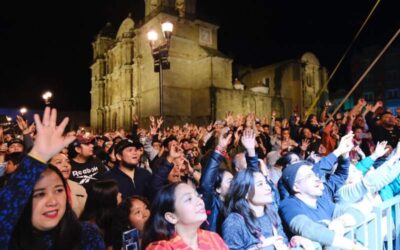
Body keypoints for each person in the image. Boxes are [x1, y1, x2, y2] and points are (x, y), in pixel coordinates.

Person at [0, 107, 105, 249]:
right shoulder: (10, 240)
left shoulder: (86, 235)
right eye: (40, 194)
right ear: (22, 198)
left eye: (59, 190)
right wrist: (38, 156)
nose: (53, 201)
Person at [223, 169, 316, 250]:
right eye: (260, 184)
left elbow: (283, 243)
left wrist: (295, 240)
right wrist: (262, 246)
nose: (268, 187)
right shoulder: (234, 222)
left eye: (266, 183)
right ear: (245, 193)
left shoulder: (271, 212)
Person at [142, 182, 228, 250]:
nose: (200, 202)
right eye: (189, 199)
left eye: (198, 196)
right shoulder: (161, 248)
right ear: (172, 217)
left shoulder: (214, 238)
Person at [49, 152, 87, 217]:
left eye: (68, 162)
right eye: (59, 162)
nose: (66, 165)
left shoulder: (79, 188)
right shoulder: (37, 188)